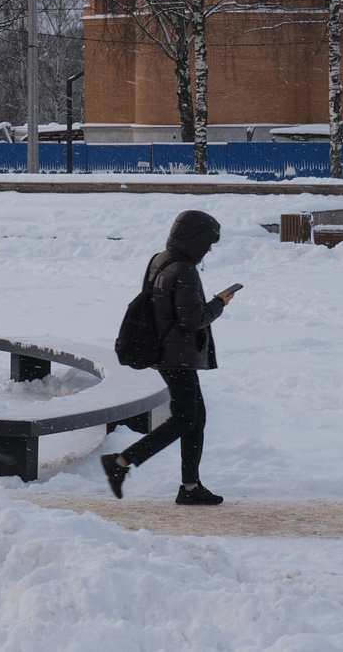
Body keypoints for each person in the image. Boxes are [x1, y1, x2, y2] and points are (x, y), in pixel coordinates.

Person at [104, 209, 237, 506]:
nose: (210, 249)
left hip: (164, 351)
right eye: (208, 242)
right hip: (177, 355)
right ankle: (121, 462)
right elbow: (192, 319)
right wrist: (219, 303)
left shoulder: (159, 259)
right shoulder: (186, 270)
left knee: (195, 418)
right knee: (185, 419)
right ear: (196, 239)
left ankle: (190, 487)